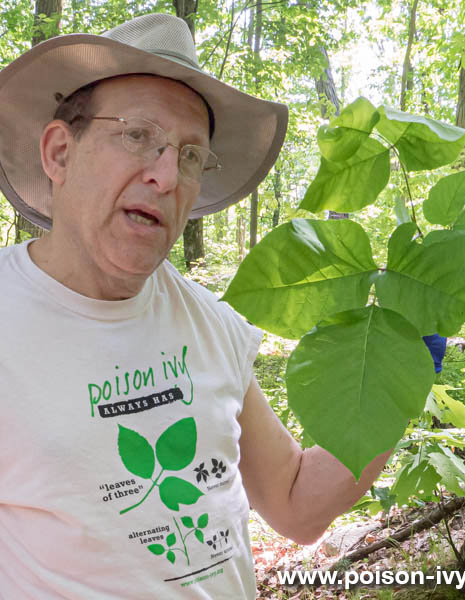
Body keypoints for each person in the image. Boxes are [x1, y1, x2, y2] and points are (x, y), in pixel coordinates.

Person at [0, 13, 390, 598]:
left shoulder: (209, 322)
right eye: (137, 135)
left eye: (189, 156)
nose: (165, 175)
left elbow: (294, 503)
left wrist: (396, 375)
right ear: (59, 152)